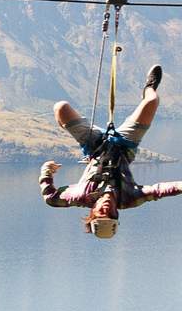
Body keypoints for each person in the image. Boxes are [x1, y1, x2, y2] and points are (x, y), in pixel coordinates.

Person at [41, 64, 182, 238]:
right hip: (125, 145)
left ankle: (67, 124)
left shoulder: (81, 196)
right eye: (111, 215)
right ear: (116, 214)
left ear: (92, 213)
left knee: (60, 107)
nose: (106, 210)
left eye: (101, 214)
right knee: (152, 101)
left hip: (94, 145)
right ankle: (149, 87)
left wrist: (46, 172)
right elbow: (159, 191)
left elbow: (52, 199)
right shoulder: (129, 198)